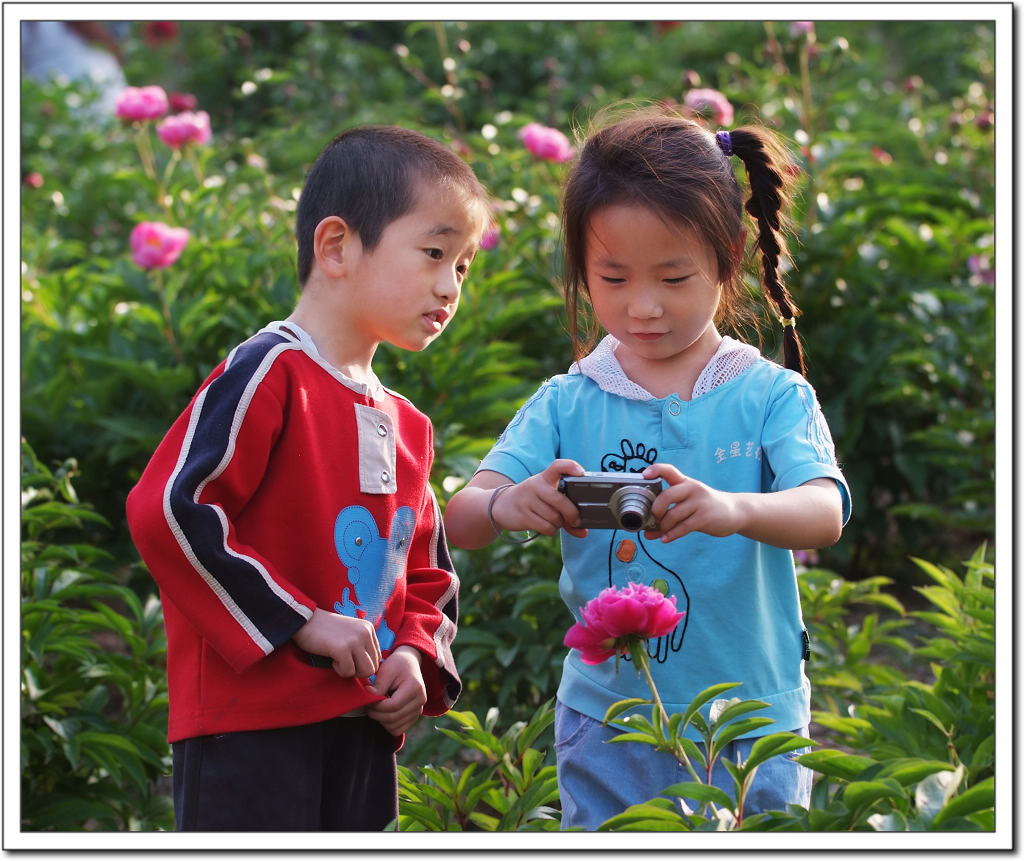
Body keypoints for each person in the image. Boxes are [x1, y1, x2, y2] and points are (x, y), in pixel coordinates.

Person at [443, 106, 852, 830]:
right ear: (580, 268)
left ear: (727, 256)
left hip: (749, 720)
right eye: (612, 277)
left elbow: (825, 508)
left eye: (671, 276)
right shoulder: (570, 400)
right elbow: (463, 518)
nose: (642, 306)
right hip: (610, 718)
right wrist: (511, 503)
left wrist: (733, 509)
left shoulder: (768, 394)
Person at [126, 125, 490, 831]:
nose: (450, 285)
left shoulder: (408, 421)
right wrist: (299, 620)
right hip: (249, 726)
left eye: (466, 265)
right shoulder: (270, 372)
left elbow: (426, 575)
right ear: (336, 247)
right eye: (435, 253)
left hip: (361, 726)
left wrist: (415, 656)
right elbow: (170, 508)